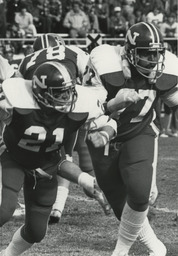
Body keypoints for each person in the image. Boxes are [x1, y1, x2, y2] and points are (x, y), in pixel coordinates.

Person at [0, 61, 117, 255]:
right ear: (41, 93)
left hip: (45, 166)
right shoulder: (15, 101)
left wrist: (103, 136)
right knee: (4, 209)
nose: (66, 97)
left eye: (68, 91)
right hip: (11, 158)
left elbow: (109, 123)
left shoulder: (79, 106)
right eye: (59, 93)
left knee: (36, 232)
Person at [81, 21, 178, 256]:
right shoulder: (106, 64)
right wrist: (114, 103)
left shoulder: (165, 69)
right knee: (117, 200)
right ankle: (156, 246)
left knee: (140, 190)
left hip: (138, 131)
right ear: (130, 51)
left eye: (157, 53)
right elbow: (90, 110)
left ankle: (120, 251)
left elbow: (174, 101)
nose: (153, 60)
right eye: (146, 54)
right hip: (101, 134)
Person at [15, 33, 110, 223]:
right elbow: (92, 82)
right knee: (76, 155)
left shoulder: (26, 61)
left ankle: (57, 207)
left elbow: (20, 93)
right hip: (74, 103)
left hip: (48, 113)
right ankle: (87, 192)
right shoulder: (73, 52)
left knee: (59, 156)